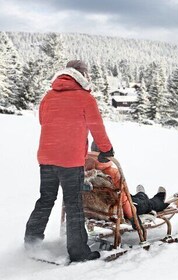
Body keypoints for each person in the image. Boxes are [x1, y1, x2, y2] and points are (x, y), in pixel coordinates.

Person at [24, 60, 114, 262]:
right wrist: (106, 149)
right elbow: (96, 127)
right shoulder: (85, 98)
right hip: (70, 160)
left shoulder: (48, 96)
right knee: (73, 203)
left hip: (46, 158)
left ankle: (31, 242)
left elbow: (43, 121)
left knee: (45, 199)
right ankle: (78, 252)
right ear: (82, 75)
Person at [89, 142, 169, 225]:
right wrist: (132, 217)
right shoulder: (111, 173)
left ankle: (141, 195)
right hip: (116, 210)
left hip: (96, 209)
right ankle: (158, 199)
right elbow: (123, 199)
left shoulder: (86, 171)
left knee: (131, 197)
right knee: (145, 204)